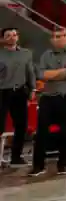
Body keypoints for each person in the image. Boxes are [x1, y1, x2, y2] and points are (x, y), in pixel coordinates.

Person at [30, 27, 66, 177]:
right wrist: (60, 72)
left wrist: (54, 74)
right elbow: (42, 75)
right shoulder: (46, 55)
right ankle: (38, 166)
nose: (59, 39)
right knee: (41, 132)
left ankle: (63, 164)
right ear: (52, 39)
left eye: (62, 36)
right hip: (48, 97)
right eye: (56, 36)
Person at [0, 26, 36, 166]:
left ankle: (16, 156)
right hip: (2, 92)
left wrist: (33, 89)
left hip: (20, 92)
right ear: (3, 38)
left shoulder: (26, 53)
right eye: (8, 35)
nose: (12, 37)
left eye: (14, 34)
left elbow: (30, 72)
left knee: (21, 125)